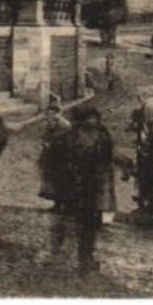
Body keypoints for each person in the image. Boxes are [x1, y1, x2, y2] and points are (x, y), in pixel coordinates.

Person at [55, 104, 116, 273]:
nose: (92, 122)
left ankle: (86, 255)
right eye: (88, 119)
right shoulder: (70, 137)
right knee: (83, 223)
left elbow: (107, 159)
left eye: (94, 119)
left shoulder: (102, 136)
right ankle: (83, 257)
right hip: (77, 186)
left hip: (94, 187)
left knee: (91, 223)